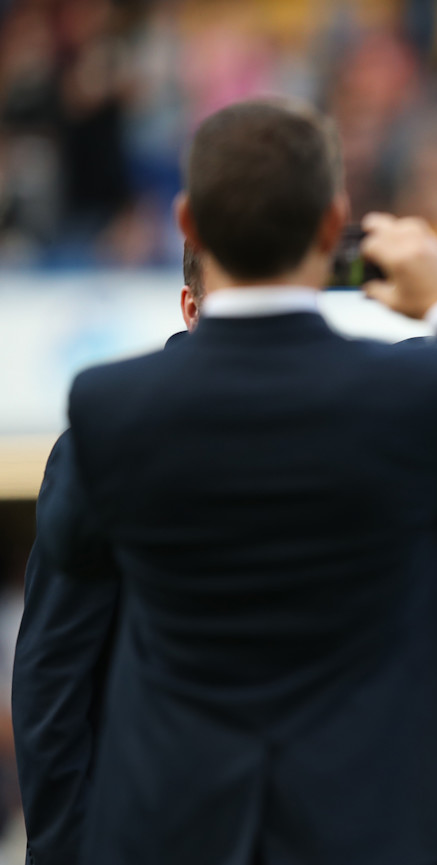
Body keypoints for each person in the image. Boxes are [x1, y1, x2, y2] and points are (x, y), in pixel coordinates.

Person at [34, 97, 437, 865]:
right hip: (364, 827)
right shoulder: (402, 392)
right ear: (333, 225)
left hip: (177, 826)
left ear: (188, 222)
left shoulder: (111, 406)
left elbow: (74, 556)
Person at [13, 244, 203, 865]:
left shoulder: (333, 431)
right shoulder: (108, 441)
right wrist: (62, 849)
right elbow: (53, 670)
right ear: (191, 309)